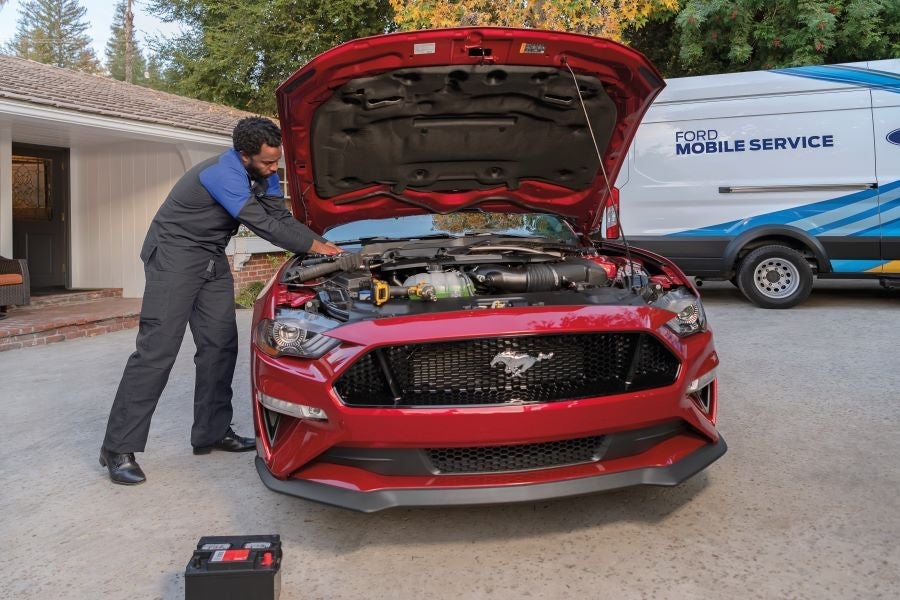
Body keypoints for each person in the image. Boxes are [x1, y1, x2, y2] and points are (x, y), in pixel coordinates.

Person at [100, 117, 341, 485]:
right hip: (174, 258)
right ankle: (117, 448)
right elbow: (261, 223)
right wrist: (316, 248)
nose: (272, 169)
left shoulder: (264, 171)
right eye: (266, 162)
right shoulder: (219, 173)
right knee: (157, 351)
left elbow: (279, 216)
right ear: (244, 155)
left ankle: (211, 433)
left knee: (220, 345)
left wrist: (325, 245)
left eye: (275, 161)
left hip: (211, 257)